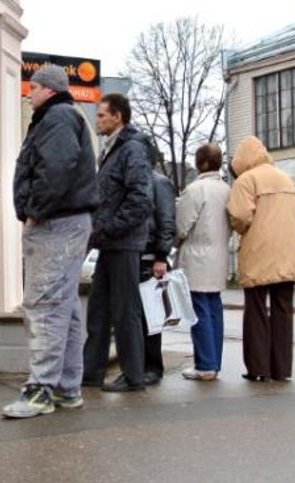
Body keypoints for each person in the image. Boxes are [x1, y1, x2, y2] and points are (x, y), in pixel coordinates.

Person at [2, 64, 98, 419]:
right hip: (68, 221)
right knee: (65, 308)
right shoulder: (65, 117)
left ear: (48, 90)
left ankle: (40, 389)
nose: (29, 95)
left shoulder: (56, 117)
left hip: (56, 223)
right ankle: (66, 388)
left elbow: (56, 167)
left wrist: (34, 210)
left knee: (44, 304)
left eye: (34, 88)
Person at [80, 93, 152, 393]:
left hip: (123, 243)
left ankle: (133, 375)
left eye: (101, 115)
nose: (97, 120)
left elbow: (140, 200)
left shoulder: (131, 149)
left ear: (117, 117)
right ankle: (91, 373)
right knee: (98, 311)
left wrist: (108, 228)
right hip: (109, 243)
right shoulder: (112, 150)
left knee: (126, 311)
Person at [226, 135, 295, 382]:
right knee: (283, 311)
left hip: (259, 253)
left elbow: (240, 217)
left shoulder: (246, 181)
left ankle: (259, 368)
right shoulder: (286, 179)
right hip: (288, 254)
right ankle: (282, 369)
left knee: (257, 311)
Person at [176, 143, 231, 381]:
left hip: (197, 258)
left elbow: (181, 227)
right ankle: (214, 362)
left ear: (201, 163)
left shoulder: (195, 189)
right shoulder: (227, 189)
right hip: (219, 257)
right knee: (214, 309)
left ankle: (205, 364)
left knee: (199, 311)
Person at [138, 135, 176, 386]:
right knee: (139, 316)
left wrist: (161, 255)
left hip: (151, 257)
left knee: (150, 317)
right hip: (138, 254)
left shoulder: (159, 183)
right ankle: (142, 365)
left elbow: (166, 220)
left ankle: (153, 367)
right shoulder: (140, 182)